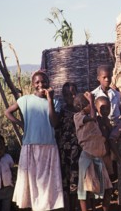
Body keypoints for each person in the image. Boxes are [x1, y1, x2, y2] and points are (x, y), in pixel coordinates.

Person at [5, 70, 64, 210]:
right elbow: (7, 112)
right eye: (37, 82)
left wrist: (50, 100)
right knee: (31, 182)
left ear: (49, 83)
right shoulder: (25, 100)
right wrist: (20, 123)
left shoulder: (55, 102)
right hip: (30, 146)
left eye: (44, 82)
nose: (41, 84)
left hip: (49, 146)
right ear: (32, 84)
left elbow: (54, 122)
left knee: (47, 184)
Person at [73, 92, 113, 211]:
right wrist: (91, 100)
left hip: (97, 158)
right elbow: (92, 117)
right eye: (89, 104)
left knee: (107, 188)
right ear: (81, 106)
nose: (93, 107)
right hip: (87, 158)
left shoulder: (93, 120)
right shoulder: (78, 116)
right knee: (84, 190)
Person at [57, 82, 80, 211]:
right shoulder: (62, 111)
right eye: (66, 94)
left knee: (76, 180)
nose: (70, 96)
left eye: (73, 93)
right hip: (64, 153)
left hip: (77, 152)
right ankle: (68, 207)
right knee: (65, 180)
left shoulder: (81, 111)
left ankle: (75, 206)